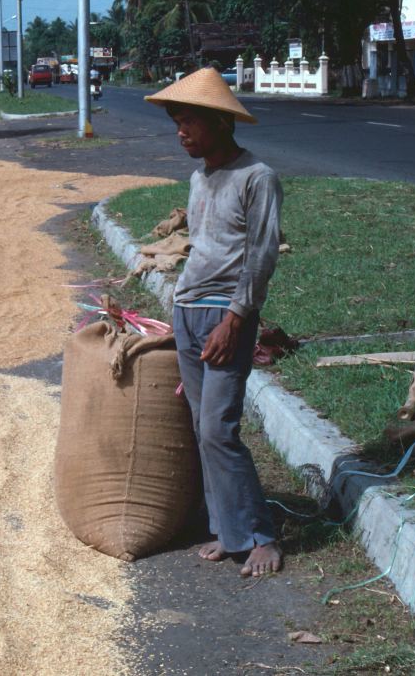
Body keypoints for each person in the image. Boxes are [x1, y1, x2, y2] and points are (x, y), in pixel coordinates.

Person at [144, 67, 284, 578]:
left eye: (189, 123)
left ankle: (260, 535)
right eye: (177, 123)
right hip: (188, 312)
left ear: (221, 124)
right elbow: (202, 248)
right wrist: (177, 308)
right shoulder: (200, 175)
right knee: (201, 428)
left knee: (220, 429)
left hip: (228, 316)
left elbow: (260, 258)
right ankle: (227, 531)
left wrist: (234, 320)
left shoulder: (257, 178)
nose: (181, 132)